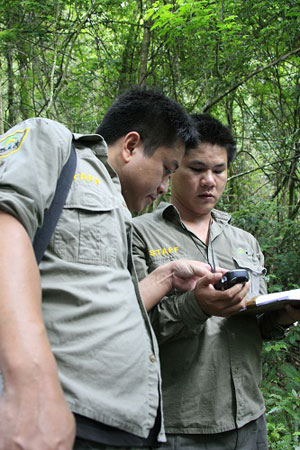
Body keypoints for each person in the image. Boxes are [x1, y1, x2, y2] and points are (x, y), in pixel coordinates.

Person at [0, 88, 216, 450]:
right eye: (166, 169)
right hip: (60, 418)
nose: (165, 187)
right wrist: (30, 386)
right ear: (131, 146)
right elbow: (6, 224)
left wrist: (167, 277)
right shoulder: (54, 142)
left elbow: (96, 303)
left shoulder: (121, 213)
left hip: (125, 429)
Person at [132, 113, 300, 450]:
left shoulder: (243, 241)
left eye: (218, 171)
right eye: (196, 169)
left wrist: (285, 315)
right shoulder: (140, 233)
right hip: (179, 425)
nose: (209, 180)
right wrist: (195, 306)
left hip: (249, 418)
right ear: (173, 167)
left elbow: (256, 324)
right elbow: (133, 327)